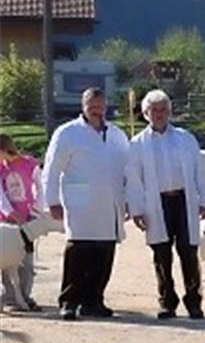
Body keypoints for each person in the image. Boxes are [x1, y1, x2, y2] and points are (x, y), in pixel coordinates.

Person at [41, 87, 131, 320]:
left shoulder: (117, 135)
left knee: (104, 256)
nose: (96, 109)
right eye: (92, 105)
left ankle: (94, 301)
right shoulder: (67, 133)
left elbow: (129, 171)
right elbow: (51, 170)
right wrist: (52, 200)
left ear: (106, 106)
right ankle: (69, 301)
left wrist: (131, 201)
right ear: (83, 106)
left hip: (110, 204)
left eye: (100, 105)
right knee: (78, 255)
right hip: (79, 204)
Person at [125, 89, 205, 320]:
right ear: (145, 113)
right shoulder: (137, 144)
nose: (159, 114)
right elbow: (133, 180)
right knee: (161, 255)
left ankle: (194, 301)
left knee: (189, 253)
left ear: (169, 112)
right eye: (154, 110)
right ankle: (167, 302)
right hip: (156, 203)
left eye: (163, 109)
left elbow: (199, 172)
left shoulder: (185, 138)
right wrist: (136, 209)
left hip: (184, 200)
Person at [0, 134, 45, 311]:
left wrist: (36, 210)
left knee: (26, 258)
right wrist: (9, 212)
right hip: (7, 220)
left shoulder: (29, 164)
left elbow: (40, 187)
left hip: (28, 218)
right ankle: (10, 298)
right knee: (6, 259)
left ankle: (25, 296)